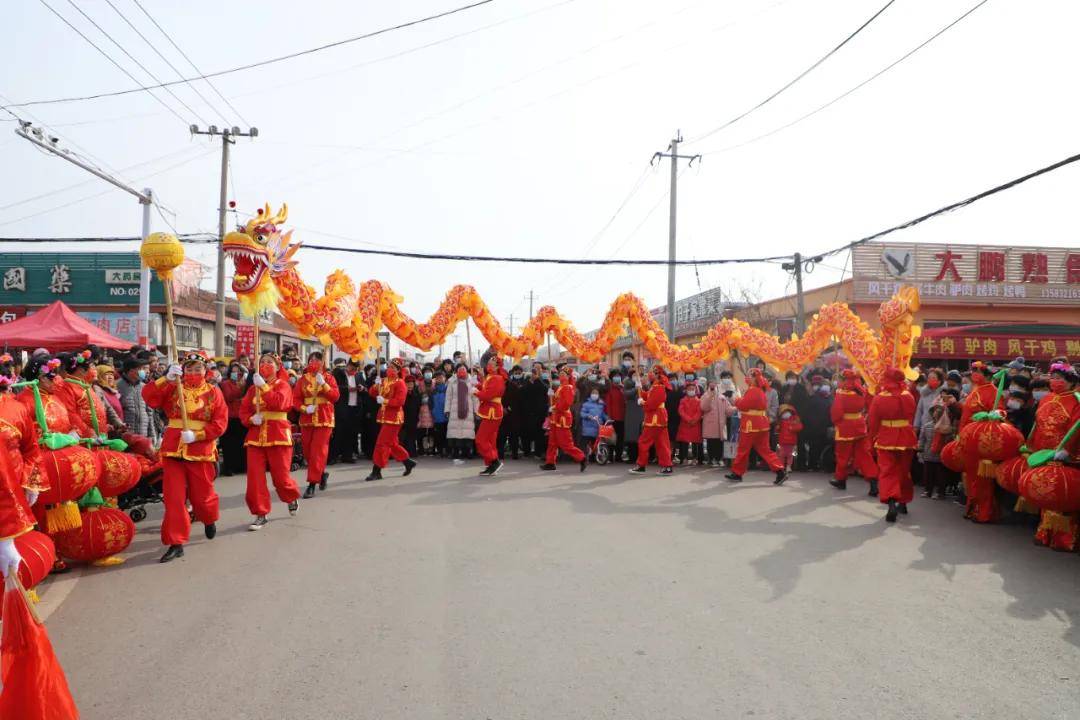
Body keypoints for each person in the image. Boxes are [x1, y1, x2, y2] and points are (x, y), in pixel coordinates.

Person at [142, 353, 227, 563]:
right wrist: (166, 378)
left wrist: (198, 435)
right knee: (174, 499)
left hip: (200, 450)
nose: (192, 373)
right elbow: (149, 397)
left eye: (197, 369)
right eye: (188, 369)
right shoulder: (173, 388)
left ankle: (208, 519)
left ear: (205, 371)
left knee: (202, 498)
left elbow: (220, 423)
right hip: (173, 449)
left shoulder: (213, 392)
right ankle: (176, 542)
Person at [241, 353, 300, 530]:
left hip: (278, 434)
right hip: (256, 436)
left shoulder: (283, 385)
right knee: (254, 478)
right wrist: (251, 419)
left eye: (269, 362)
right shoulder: (252, 389)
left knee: (281, 478)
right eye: (262, 362)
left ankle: (291, 496)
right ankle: (260, 513)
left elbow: (280, 404)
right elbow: (244, 411)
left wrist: (265, 388)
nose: (265, 365)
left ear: (277, 366)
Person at [1027, 362, 1080, 550]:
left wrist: (1066, 449)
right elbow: (1037, 424)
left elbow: (1076, 428)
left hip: (1064, 456)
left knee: (1063, 494)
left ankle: (1065, 538)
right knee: (1045, 491)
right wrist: (1030, 444)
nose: (1054, 381)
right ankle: (1045, 531)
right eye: (1053, 378)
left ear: (1070, 381)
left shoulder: (1076, 400)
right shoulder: (1046, 399)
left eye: (1059, 379)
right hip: (1043, 453)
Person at [868, 367, 918, 522]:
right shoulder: (908, 396)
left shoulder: (879, 398)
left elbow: (873, 421)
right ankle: (902, 501)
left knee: (887, 471)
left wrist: (871, 439)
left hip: (886, 437)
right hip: (906, 436)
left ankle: (891, 501)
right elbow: (911, 415)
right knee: (903, 471)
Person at [958, 361, 1005, 523]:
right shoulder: (974, 390)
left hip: (983, 440)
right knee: (971, 476)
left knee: (983, 479)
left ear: (987, 375)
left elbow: (1000, 411)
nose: (975, 374)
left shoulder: (993, 391)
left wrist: (993, 415)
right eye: (973, 370)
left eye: (979, 371)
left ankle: (985, 512)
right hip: (969, 437)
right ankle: (972, 508)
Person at [726, 368, 786, 484]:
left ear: (755, 378)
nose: (747, 377)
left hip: (751, 425)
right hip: (761, 425)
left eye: (750, 376)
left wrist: (736, 399)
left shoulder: (753, 391)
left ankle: (737, 473)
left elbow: (743, 405)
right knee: (765, 450)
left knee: (743, 449)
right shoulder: (760, 390)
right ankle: (780, 471)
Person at [292, 351, 339, 499]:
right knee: (307, 451)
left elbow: (335, 396)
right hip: (307, 418)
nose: (313, 362)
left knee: (318, 450)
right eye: (311, 359)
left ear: (323, 362)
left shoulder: (329, 378)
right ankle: (322, 473)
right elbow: (295, 400)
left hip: (324, 418)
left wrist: (324, 385)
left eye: (317, 360)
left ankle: (312, 483)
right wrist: (305, 408)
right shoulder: (302, 380)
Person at [365, 359, 417, 481]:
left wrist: (385, 401)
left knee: (381, 443)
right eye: (389, 366)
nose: (390, 369)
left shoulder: (400, 383)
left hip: (394, 418)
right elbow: (372, 393)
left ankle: (376, 470)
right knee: (391, 443)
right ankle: (407, 461)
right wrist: (375, 385)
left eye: (393, 367)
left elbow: (400, 401)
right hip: (383, 416)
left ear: (398, 370)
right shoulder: (383, 381)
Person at [829, 369, 879, 494]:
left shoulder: (841, 393)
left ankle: (841, 480)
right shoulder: (862, 391)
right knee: (864, 455)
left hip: (845, 426)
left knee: (842, 456)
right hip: (860, 425)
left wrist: (836, 423)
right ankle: (873, 482)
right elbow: (870, 406)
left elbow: (836, 412)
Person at [540, 368, 587, 472]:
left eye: (563, 374)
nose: (561, 376)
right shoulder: (560, 387)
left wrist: (555, 407)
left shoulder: (568, 387)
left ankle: (582, 457)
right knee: (552, 442)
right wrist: (550, 396)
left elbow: (566, 403)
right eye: (560, 374)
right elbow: (556, 401)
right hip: (555, 418)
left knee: (566, 444)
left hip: (562, 419)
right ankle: (550, 462)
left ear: (567, 376)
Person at [629, 366, 673, 476]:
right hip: (658, 418)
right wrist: (641, 390)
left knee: (644, 442)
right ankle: (667, 466)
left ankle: (641, 465)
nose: (649, 375)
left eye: (652, 372)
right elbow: (649, 396)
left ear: (657, 374)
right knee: (662, 443)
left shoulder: (658, 386)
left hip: (655, 418)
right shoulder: (656, 386)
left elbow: (652, 404)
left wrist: (642, 402)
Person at [474, 355, 508, 476]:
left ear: (497, 366)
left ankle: (494, 461)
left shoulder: (497, 378)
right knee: (490, 441)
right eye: (488, 363)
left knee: (480, 439)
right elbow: (485, 388)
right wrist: (477, 384)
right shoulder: (491, 377)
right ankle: (490, 464)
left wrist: (476, 392)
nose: (488, 365)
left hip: (492, 412)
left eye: (491, 363)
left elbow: (488, 395)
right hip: (490, 411)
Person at [118, 357, 155, 442]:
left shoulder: (144, 387)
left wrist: (152, 435)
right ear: (130, 370)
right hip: (125, 436)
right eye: (140, 369)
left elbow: (149, 412)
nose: (143, 372)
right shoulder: (118, 386)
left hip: (143, 435)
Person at [444, 364, 477, 460]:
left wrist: (476, 410)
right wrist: (447, 410)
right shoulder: (451, 381)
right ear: (456, 371)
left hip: (468, 408)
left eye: (464, 369)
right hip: (454, 409)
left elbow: (475, 397)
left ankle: (468, 451)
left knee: (468, 431)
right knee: (455, 431)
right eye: (460, 369)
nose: (462, 370)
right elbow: (448, 397)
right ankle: (456, 451)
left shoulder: (472, 381)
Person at [521, 363, 549, 458]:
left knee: (539, 433)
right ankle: (526, 451)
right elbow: (522, 391)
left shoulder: (545, 380)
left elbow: (546, 390)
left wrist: (537, 380)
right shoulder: (527, 380)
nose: (536, 370)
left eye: (538, 368)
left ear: (541, 370)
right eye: (534, 368)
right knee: (526, 432)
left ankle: (538, 452)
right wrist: (530, 381)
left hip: (540, 411)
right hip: (528, 411)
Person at [700, 381, 731, 467]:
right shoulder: (705, 396)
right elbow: (704, 408)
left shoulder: (722, 397)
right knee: (711, 442)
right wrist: (710, 396)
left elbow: (728, 410)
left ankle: (719, 459)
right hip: (710, 425)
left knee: (719, 442)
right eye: (711, 385)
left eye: (715, 385)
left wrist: (735, 407)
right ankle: (712, 459)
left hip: (720, 424)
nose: (714, 387)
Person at [499, 365, 526, 460]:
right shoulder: (497, 386)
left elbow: (517, 401)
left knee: (513, 435)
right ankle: (500, 454)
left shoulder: (513, 386)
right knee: (501, 435)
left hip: (512, 414)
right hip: (501, 413)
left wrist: (508, 409)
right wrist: (502, 408)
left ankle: (515, 453)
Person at [676, 381, 703, 465]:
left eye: (693, 389)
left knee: (696, 442)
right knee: (684, 442)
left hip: (695, 424)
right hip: (685, 424)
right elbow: (681, 411)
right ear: (686, 390)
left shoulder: (699, 401)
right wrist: (689, 419)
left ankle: (695, 458)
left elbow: (700, 412)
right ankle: (684, 458)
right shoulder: (682, 400)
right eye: (689, 389)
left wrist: (694, 420)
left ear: (695, 390)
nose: (691, 390)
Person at [93, 364, 125, 432]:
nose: (110, 377)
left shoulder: (113, 392)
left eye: (112, 374)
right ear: (99, 376)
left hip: (117, 429)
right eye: (106, 374)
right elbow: (103, 410)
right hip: (106, 430)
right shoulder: (98, 391)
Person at [604, 367, 626, 462]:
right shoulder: (609, 389)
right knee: (610, 438)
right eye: (615, 376)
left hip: (622, 417)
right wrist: (608, 416)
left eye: (619, 376)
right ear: (612, 378)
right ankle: (609, 457)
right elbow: (607, 403)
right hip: (612, 417)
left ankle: (618, 456)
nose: (617, 378)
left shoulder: (623, 388)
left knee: (620, 438)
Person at [579, 388, 607, 461]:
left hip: (598, 427)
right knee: (585, 443)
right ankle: (583, 457)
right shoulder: (586, 404)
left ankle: (594, 457)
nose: (594, 395)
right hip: (588, 427)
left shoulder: (601, 404)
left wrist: (608, 418)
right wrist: (588, 416)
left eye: (596, 393)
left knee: (596, 443)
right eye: (593, 393)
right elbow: (582, 413)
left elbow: (603, 414)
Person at [622, 371, 644, 464]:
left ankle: (642, 457)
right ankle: (632, 457)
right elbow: (626, 394)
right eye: (634, 375)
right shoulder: (628, 384)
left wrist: (642, 387)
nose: (636, 377)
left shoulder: (643, 384)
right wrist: (636, 388)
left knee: (641, 436)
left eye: (637, 375)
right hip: (631, 413)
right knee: (632, 437)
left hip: (641, 413)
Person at [776, 404, 803, 472]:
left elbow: (800, 427)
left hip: (791, 441)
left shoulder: (795, 419)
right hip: (783, 441)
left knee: (789, 454)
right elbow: (777, 429)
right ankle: (781, 466)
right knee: (782, 454)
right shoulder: (781, 421)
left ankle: (788, 466)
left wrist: (792, 428)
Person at [431, 371, 449, 457]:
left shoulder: (448, 389)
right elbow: (430, 403)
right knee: (439, 435)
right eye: (437, 378)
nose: (439, 379)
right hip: (437, 417)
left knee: (446, 434)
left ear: (444, 378)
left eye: (441, 377)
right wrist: (433, 411)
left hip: (446, 417)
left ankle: (447, 450)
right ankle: (440, 450)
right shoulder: (433, 390)